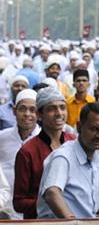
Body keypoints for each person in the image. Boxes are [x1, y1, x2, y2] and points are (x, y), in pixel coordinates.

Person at [36, 102, 99, 219]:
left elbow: (94, 205)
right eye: (94, 129)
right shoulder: (63, 157)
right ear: (79, 127)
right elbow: (52, 192)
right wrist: (72, 221)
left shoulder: (97, 160)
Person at [13, 87, 75, 219]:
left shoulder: (74, 143)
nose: (59, 113)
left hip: (75, 217)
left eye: (62, 107)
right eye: (51, 109)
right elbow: (19, 203)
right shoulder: (27, 152)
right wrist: (51, 203)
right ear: (39, 115)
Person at [0, 89, 40, 219]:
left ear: (38, 113)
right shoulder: (2, 137)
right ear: (14, 111)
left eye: (32, 109)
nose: (27, 114)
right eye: (22, 109)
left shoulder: (44, 140)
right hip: (4, 209)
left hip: (34, 212)